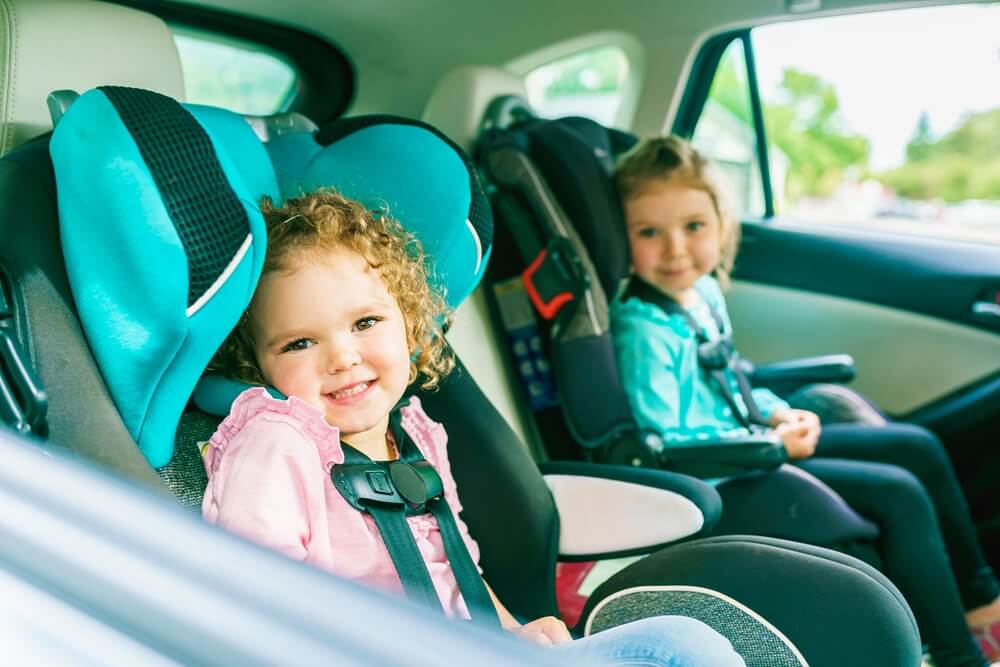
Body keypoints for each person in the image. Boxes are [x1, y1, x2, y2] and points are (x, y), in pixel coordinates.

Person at [202, 189, 746, 667]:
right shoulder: (278, 441)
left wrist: (512, 631)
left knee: (683, 640)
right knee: (677, 650)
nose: (342, 357)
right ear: (258, 364)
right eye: (300, 342)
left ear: (409, 325)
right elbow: (258, 604)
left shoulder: (415, 434)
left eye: (365, 323)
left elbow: (457, 570)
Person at [609, 135, 1000, 667]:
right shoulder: (642, 330)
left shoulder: (700, 295)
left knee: (916, 444)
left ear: (722, 225)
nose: (675, 248)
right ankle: (960, 656)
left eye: (693, 227)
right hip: (724, 473)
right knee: (899, 492)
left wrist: (774, 411)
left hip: (752, 440)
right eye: (649, 232)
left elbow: (733, 375)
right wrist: (770, 443)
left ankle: (980, 602)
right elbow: (668, 439)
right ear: (622, 238)